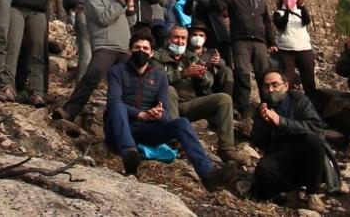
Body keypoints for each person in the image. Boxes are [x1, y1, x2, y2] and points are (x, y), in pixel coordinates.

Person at [104, 33, 237, 189]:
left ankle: (208, 174)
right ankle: (129, 155)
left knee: (181, 122)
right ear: (129, 51)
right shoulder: (118, 71)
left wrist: (158, 114)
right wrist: (140, 114)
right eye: (137, 48)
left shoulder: (159, 76)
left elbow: (166, 111)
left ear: (151, 53)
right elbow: (113, 102)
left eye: (145, 48)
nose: (141, 51)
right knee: (118, 106)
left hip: (146, 130)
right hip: (119, 128)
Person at [52, 0, 138, 121]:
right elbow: (104, 19)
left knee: (134, 80)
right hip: (106, 46)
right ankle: (69, 110)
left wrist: (130, 1)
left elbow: (131, 22)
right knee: (93, 74)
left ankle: (132, 116)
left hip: (124, 47)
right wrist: (120, 0)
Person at [151, 26, 246, 165]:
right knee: (169, 89)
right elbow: (157, 82)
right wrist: (183, 74)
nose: (179, 41)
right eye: (176, 37)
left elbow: (208, 82)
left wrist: (201, 77)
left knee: (224, 99)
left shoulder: (190, 57)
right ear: (169, 39)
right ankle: (176, 141)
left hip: (189, 104)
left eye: (183, 38)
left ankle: (226, 149)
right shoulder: (158, 57)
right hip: (168, 106)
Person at [250, 70, 332, 212]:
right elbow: (258, 141)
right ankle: (291, 189)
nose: (271, 90)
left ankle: (312, 193)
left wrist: (280, 121)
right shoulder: (263, 108)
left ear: (286, 86)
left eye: (275, 85)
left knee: (314, 141)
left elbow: (315, 128)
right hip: (280, 154)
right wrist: (265, 123)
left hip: (304, 151)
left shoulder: (299, 100)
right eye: (266, 86)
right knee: (263, 169)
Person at [209, 0, 276, 118]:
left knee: (264, 74)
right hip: (240, 40)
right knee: (242, 73)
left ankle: (269, 105)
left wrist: (272, 42)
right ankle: (244, 108)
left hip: (260, 41)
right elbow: (218, 7)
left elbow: (267, 22)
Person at [271, 0, 316, 100]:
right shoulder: (278, 13)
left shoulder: (301, 12)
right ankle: (286, 104)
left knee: (309, 80)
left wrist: (302, 6)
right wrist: (287, 10)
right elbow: (281, 25)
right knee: (287, 80)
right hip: (286, 50)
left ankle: (312, 104)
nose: (288, 0)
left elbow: (307, 21)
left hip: (304, 49)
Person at [182, 0, 232, 69]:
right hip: (204, 37)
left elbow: (209, 5)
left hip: (219, 37)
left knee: (225, 65)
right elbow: (186, 11)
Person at [188, 24, 234, 97]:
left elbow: (223, 65)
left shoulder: (212, 51)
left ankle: (227, 100)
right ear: (189, 37)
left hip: (211, 85)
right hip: (194, 86)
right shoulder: (184, 52)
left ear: (205, 38)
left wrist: (218, 61)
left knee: (227, 70)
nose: (197, 37)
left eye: (201, 35)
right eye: (195, 35)